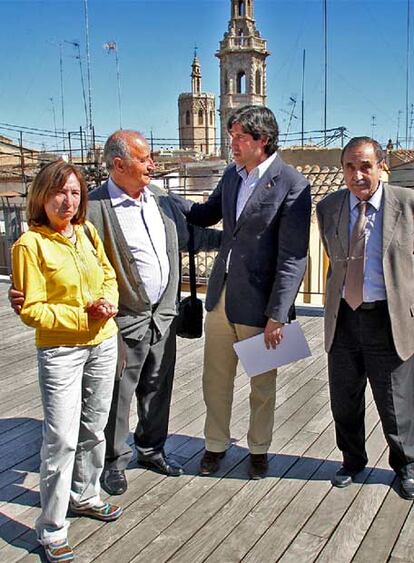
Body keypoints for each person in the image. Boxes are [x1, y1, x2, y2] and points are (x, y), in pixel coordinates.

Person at [9, 130, 221, 496]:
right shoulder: (94, 208)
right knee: (116, 396)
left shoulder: (161, 200)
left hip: (163, 317)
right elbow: (59, 247)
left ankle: (152, 448)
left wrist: (241, 239)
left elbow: (194, 237)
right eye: (144, 159)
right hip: (119, 323)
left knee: (158, 387)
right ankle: (112, 461)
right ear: (119, 165)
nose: (152, 164)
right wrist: (29, 289)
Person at [172, 105, 311, 479]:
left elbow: (294, 256)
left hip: (262, 305)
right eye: (231, 136)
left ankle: (258, 449)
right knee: (215, 380)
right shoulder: (233, 175)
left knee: (262, 384)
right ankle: (215, 445)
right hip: (220, 297)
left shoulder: (293, 184)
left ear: (262, 141)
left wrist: (278, 315)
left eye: (238, 138)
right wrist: (166, 200)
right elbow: (206, 214)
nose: (231, 143)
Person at [11, 161, 122, 563]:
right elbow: (32, 310)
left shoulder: (87, 232)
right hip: (62, 351)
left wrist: (107, 301)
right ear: (42, 196)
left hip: (103, 342)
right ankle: (52, 527)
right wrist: (82, 316)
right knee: (61, 438)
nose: (68, 200)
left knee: (94, 427)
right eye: (60, 192)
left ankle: (85, 494)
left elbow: (108, 274)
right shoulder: (30, 245)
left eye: (75, 193)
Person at [316, 136, 414, 500]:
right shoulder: (328, 207)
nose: (358, 175)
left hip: (387, 318)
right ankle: (352, 460)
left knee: (395, 400)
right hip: (343, 318)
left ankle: (406, 466)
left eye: (365, 166)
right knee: (344, 397)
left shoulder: (406, 204)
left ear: (381, 166)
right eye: (350, 167)